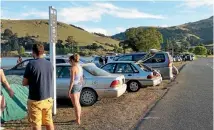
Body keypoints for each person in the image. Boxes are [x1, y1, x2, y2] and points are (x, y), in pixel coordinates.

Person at [22, 43, 54, 130]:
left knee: (36, 124)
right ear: (43, 51)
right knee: (49, 122)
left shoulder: (31, 64)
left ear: (33, 52)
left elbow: (24, 82)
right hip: (48, 98)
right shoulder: (50, 64)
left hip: (35, 99)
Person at [68, 54, 83, 125]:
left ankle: (78, 120)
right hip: (79, 85)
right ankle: (78, 118)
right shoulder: (80, 67)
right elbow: (81, 78)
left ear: (72, 60)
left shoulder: (73, 68)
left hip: (74, 86)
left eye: (69, 60)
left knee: (76, 104)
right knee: (78, 103)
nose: (69, 62)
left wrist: (69, 90)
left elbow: (72, 81)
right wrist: (80, 84)